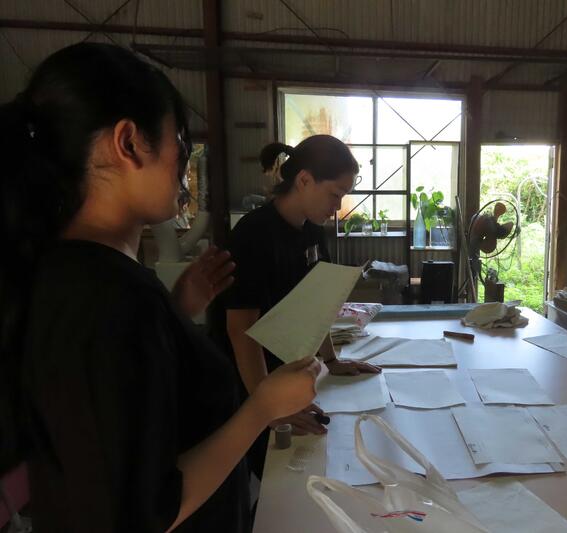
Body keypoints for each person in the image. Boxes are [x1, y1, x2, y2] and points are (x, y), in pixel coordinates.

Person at [0, 43, 321, 532]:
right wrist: (262, 408)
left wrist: (174, 313)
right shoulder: (105, 296)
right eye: (180, 142)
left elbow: (123, 415)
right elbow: (143, 513)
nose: (184, 162)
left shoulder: (85, 277)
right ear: (129, 143)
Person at [220, 136, 379, 478]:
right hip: (246, 379)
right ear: (304, 180)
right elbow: (240, 329)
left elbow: (319, 303)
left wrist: (332, 361)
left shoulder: (312, 232)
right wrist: (266, 406)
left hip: (284, 371)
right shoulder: (253, 235)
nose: (337, 206)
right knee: (267, 475)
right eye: (335, 194)